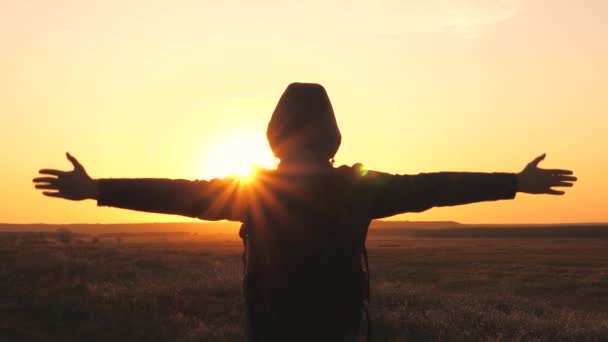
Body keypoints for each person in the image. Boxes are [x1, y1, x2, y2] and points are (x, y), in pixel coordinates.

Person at [33, 83, 576, 341]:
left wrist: (97, 188)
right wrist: (513, 183)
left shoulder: (252, 192)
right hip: (340, 327)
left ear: (275, 138)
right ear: (333, 137)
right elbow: (436, 186)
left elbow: (179, 193)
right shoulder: (362, 189)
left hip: (273, 325)